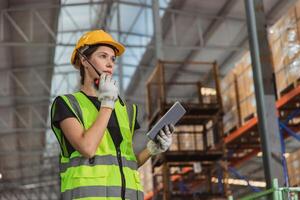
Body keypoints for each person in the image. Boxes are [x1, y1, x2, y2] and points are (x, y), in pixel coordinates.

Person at [50, 29, 175, 200]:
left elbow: (126, 164)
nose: (110, 63)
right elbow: (87, 148)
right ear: (84, 60)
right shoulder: (67, 104)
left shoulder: (125, 110)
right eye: (103, 56)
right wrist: (107, 102)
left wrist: (152, 149)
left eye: (113, 59)